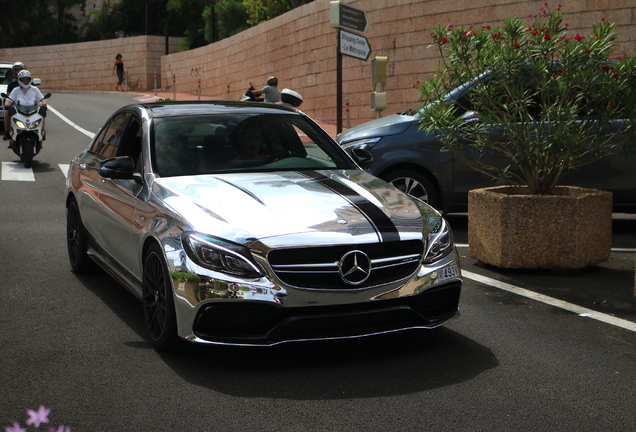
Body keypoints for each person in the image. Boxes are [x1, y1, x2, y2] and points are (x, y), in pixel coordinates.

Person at [3, 70, 47, 141]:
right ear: (19, 80)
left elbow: (42, 99)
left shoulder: (35, 89)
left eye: (27, 79)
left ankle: (42, 132)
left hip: (33, 110)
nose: (25, 80)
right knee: (7, 112)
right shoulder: (15, 90)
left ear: (30, 79)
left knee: (42, 112)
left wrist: (44, 105)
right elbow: (9, 100)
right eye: (23, 79)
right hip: (19, 110)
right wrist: (7, 105)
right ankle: (7, 132)